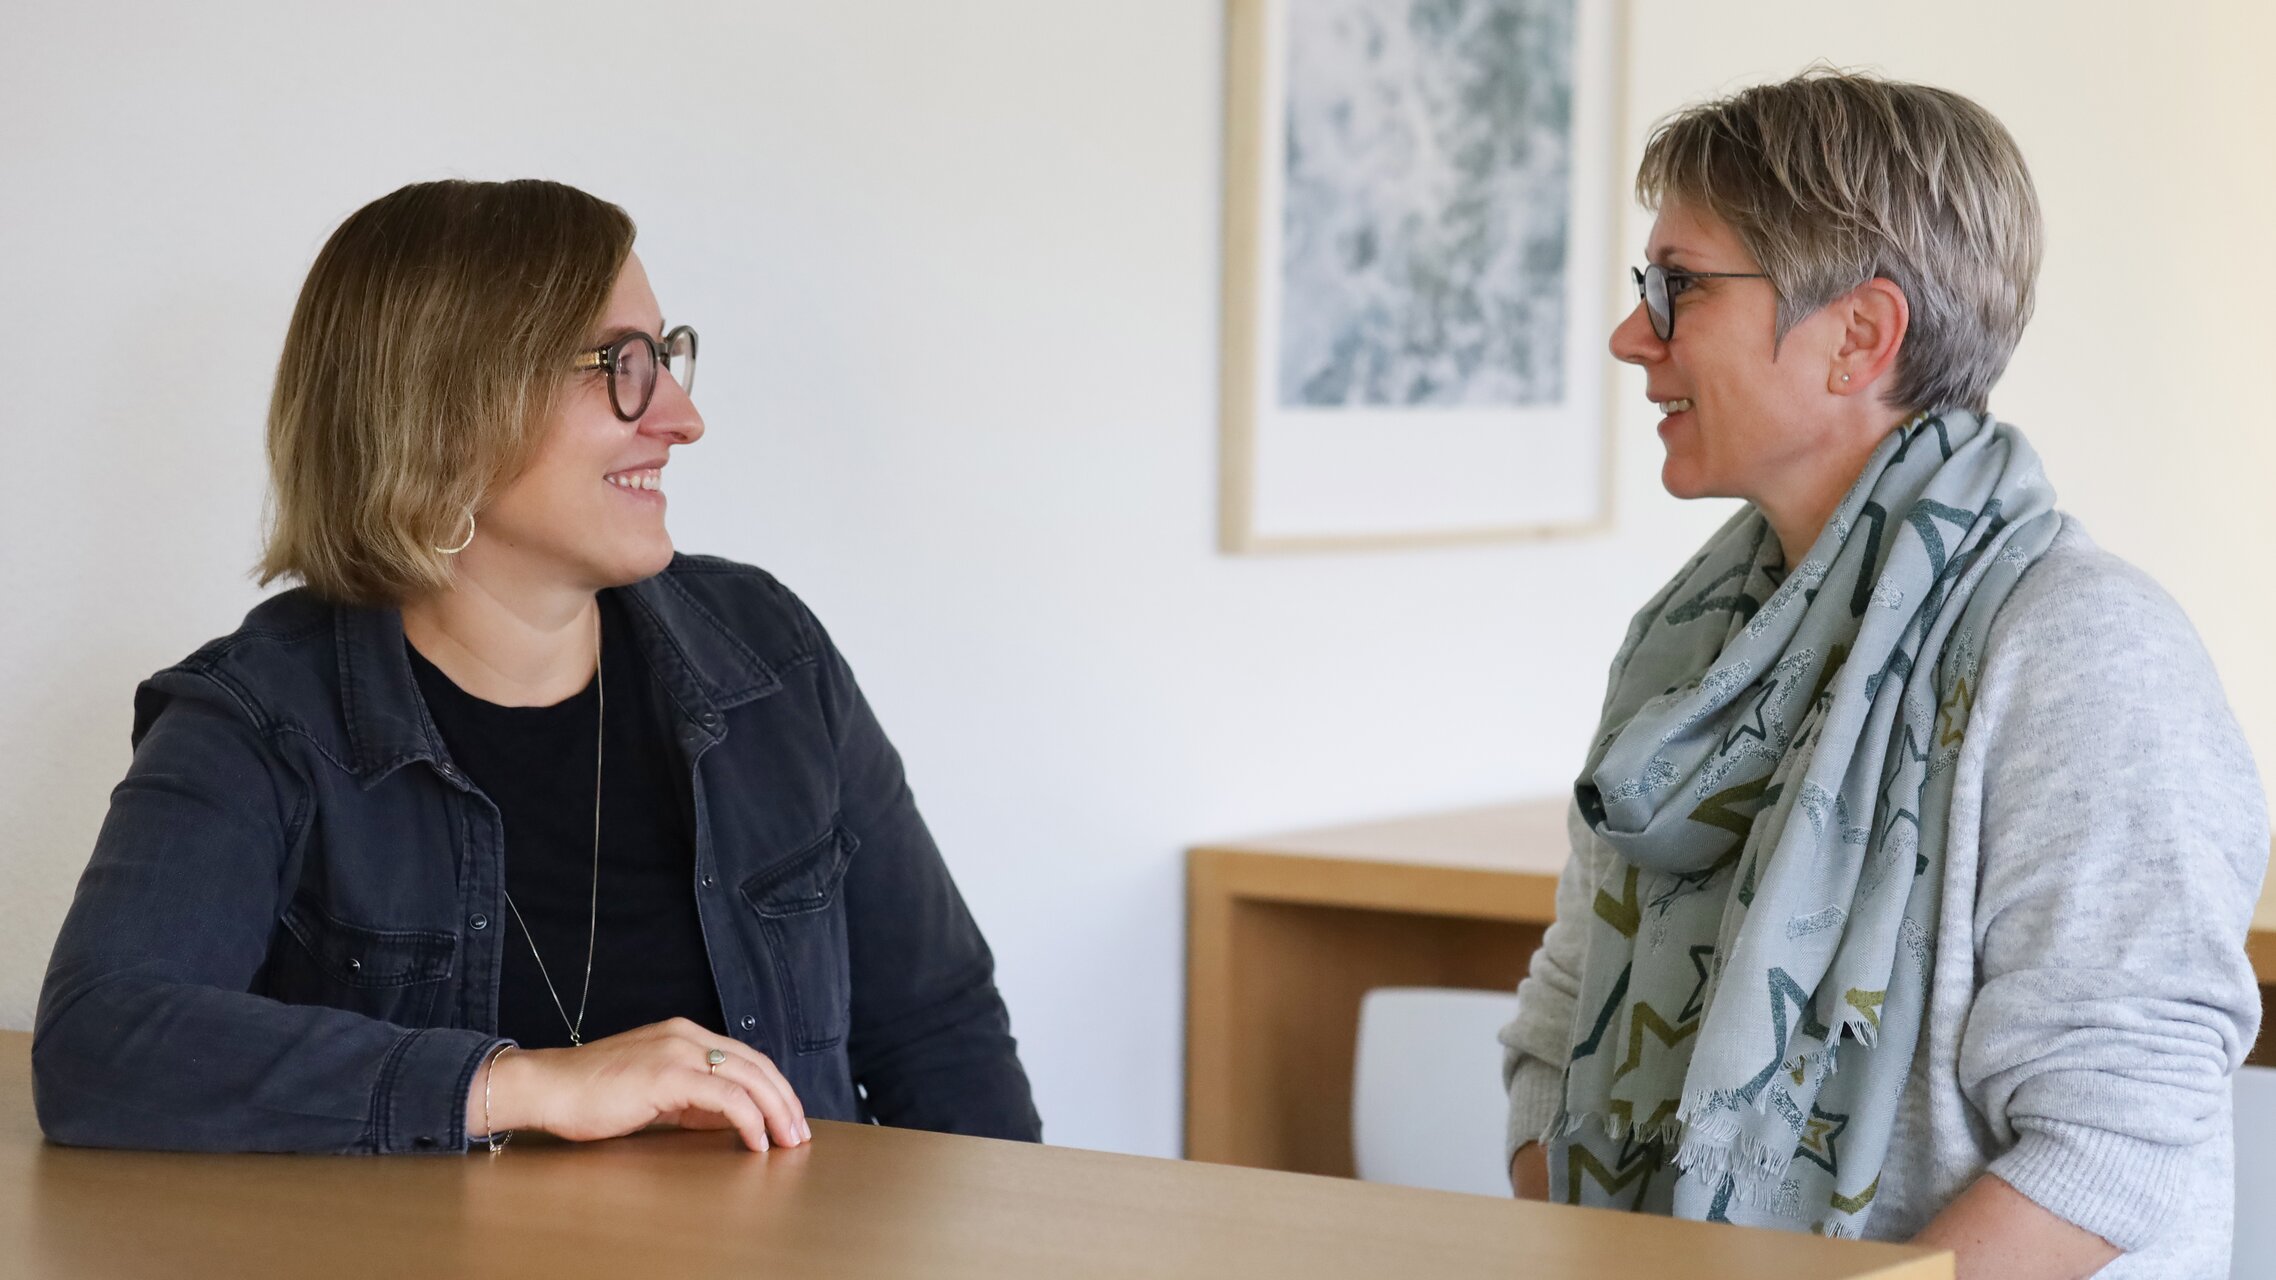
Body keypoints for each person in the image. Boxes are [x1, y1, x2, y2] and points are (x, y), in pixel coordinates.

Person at [34, 178, 1040, 1155]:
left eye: (669, 357)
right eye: (620, 364)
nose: (681, 419)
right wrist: (526, 1082)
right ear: (451, 407)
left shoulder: (767, 654)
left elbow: (938, 1031)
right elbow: (102, 1041)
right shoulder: (260, 719)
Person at [1497, 70, 2264, 1278]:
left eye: (1676, 286)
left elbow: (2112, 1141)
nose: (1630, 333)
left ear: (1859, 333)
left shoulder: (2080, 648)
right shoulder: (1686, 649)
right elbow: (1556, 1038)